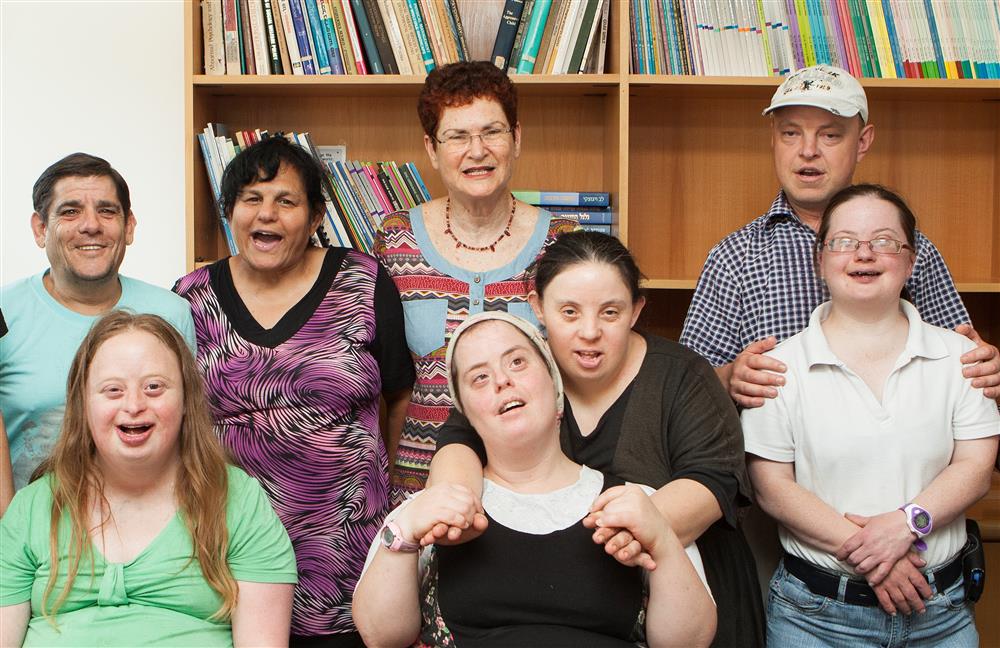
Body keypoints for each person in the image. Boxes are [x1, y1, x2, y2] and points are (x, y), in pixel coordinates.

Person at [430, 231, 764, 647]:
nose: (590, 331)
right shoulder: (519, 372)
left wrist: (607, 548)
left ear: (636, 310)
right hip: (568, 603)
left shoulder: (683, 376)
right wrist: (454, 502)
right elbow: (460, 436)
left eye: (610, 312)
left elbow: (712, 483)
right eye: (569, 312)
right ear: (537, 307)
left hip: (683, 597)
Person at [174, 136, 414, 646]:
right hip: (228, 555)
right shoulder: (189, 299)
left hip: (348, 557)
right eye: (251, 199)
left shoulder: (365, 282)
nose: (267, 215)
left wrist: (370, 478)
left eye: (286, 200)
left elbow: (398, 397)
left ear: (316, 215)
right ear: (229, 211)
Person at [353, 312, 716, 647]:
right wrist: (402, 534)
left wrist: (664, 542)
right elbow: (382, 636)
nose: (501, 380)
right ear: (468, 417)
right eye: (479, 377)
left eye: (517, 362)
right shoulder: (426, 514)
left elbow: (689, 642)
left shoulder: (635, 504)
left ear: (555, 388)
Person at [742, 184, 1000, 647]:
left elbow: (976, 469)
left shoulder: (963, 357)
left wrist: (906, 525)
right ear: (820, 260)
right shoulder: (777, 366)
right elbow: (772, 487)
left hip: (941, 615)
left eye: (883, 241)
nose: (864, 254)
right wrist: (874, 552)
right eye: (844, 241)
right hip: (815, 619)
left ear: (912, 259)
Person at [678, 65, 1000, 408]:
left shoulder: (907, 250)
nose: (808, 150)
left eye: (829, 135)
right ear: (773, 138)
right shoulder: (735, 256)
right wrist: (730, 378)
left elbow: (965, 366)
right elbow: (681, 385)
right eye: (790, 133)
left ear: (863, 142)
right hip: (773, 452)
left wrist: (986, 369)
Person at [0, 311, 298, 647]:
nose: (134, 404)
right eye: (112, 390)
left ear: (186, 399)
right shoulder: (31, 508)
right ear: (83, 404)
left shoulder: (239, 501)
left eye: (154, 387)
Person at [375, 60, 577, 500]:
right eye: (458, 136)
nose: (478, 150)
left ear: (517, 138)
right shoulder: (395, 241)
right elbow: (378, 381)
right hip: (420, 491)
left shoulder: (565, 243)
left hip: (536, 490)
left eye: (492, 132)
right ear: (431, 148)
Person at [0, 153, 196, 490]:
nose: (91, 225)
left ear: (129, 226)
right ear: (40, 228)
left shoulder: (172, 312)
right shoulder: (4, 312)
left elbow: (188, 432)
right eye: (70, 211)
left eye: (107, 210)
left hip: (144, 525)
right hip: (27, 531)